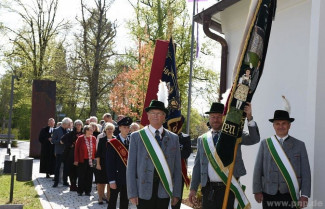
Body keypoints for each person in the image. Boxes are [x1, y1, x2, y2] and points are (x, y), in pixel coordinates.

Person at [189, 102, 260, 209]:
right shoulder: (202, 139)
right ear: (209, 118)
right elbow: (197, 166)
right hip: (209, 190)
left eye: (219, 117)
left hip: (229, 188)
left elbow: (254, 139)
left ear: (224, 118)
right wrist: (193, 189)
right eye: (213, 117)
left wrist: (249, 117)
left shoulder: (234, 134)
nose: (216, 119)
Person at [127, 100, 182, 209]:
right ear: (148, 116)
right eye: (152, 113)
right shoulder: (137, 137)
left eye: (159, 113)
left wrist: (176, 193)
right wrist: (132, 193)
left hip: (164, 189)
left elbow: (177, 168)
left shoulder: (173, 138)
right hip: (143, 189)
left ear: (164, 116)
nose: (155, 116)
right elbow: (131, 167)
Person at [253, 110, 311, 209]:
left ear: (289, 125)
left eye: (284, 123)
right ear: (273, 126)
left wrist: (305, 195)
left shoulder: (299, 145)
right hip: (269, 193)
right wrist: (257, 190)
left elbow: (306, 172)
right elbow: (258, 169)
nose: (281, 126)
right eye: (277, 124)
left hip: (290, 194)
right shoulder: (265, 144)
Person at [106, 117, 133, 209]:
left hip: (128, 177)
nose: (126, 129)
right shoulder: (113, 143)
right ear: (120, 128)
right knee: (112, 201)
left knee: (125, 201)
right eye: (124, 127)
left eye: (128, 127)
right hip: (116, 176)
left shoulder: (132, 142)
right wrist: (111, 180)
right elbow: (110, 163)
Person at [95, 122, 115, 204]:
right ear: (105, 130)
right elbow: (98, 153)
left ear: (113, 130)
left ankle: (109, 198)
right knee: (101, 182)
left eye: (111, 129)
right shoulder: (102, 140)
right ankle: (100, 197)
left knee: (110, 182)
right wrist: (98, 164)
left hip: (112, 164)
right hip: (102, 163)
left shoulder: (115, 140)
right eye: (108, 129)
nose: (109, 130)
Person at [60, 119, 83, 191]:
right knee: (72, 170)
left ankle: (79, 185)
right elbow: (62, 140)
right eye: (77, 125)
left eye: (80, 125)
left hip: (81, 154)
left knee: (79, 170)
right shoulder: (71, 133)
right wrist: (70, 145)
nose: (78, 126)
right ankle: (73, 185)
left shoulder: (84, 133)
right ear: (75, 126)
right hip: (71, 154)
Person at [74, 125, 97, 196]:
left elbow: (95, 149)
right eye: (90, 130)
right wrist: (76, 160)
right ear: (86, 130)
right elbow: (76, 150)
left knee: (89, 176)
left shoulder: (93, 138)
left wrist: (96, 159)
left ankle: (88, 191)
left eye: (92, 130)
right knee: (81, 176)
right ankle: (80, 191)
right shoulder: (80, 138)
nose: (92, 131)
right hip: (82, 160)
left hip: (91, 160)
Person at [52, 117, 72, 187]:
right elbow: (53, 140)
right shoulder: (56, 130)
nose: (69, 126)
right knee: (58, 167)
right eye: (68, 124)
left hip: (67, 152)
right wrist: (59, 142)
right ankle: (56, 182)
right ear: (65, 124)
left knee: (66, 167)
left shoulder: (68, 130)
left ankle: (65, 181)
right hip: (59, 152)